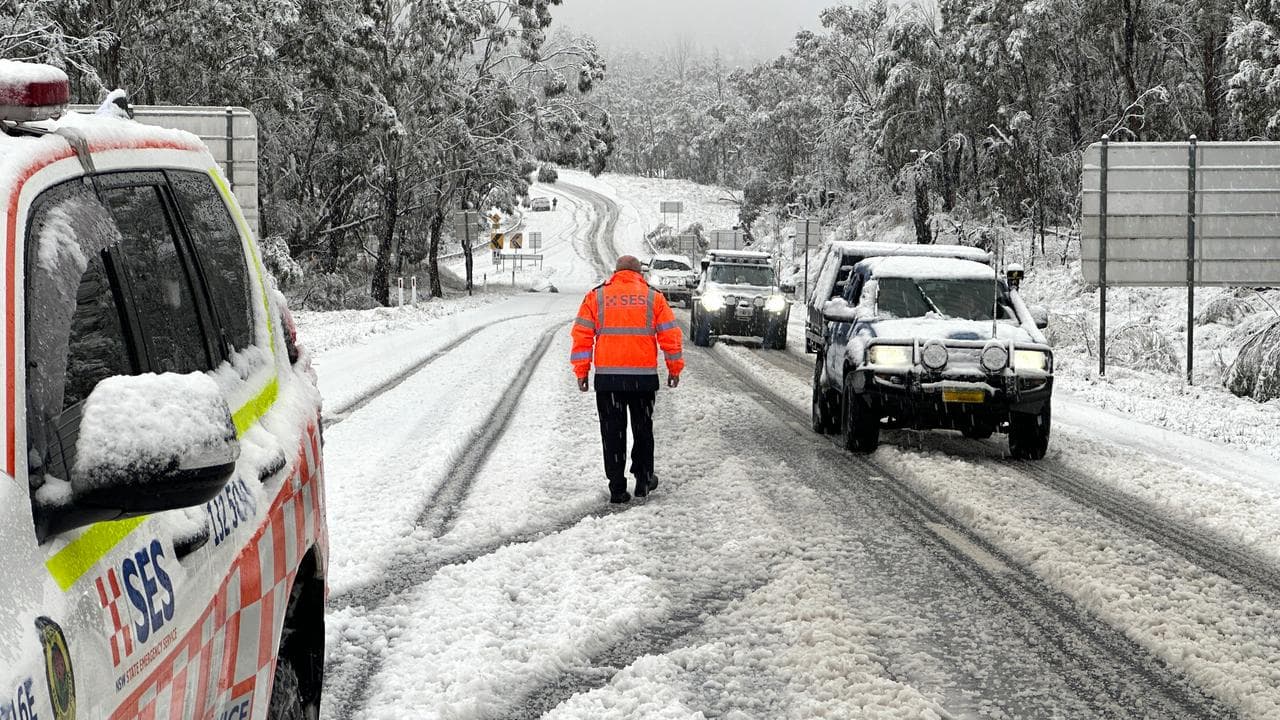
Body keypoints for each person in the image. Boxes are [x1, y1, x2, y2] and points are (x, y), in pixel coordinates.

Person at [571, 256, 684, 503]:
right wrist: (674, 368)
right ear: (639, 273)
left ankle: (617, 488)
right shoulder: (654, 297)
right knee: (643, 429)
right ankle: (643, 480)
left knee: (612, 433)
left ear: (616, 272)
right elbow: (670, 336)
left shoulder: (597, 297)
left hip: (609, 380)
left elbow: (581, 336)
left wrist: (582, 371)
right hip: (642, 380)